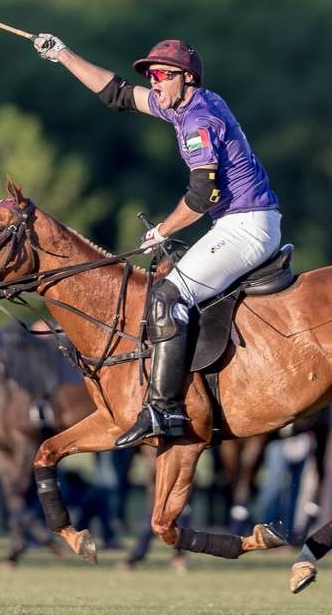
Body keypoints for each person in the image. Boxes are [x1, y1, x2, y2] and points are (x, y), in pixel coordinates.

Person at [32, 34, 281, 446]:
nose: (154, 82)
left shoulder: (198, 121)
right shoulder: (185, 107)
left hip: (246, 226)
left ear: (186, 78)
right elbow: (119, 95)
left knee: (166, 297)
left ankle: (164, 409)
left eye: (162, 75)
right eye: (151, 75)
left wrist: (163, 229)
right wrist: (62, 54)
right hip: (241, 223)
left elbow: (202, 196)